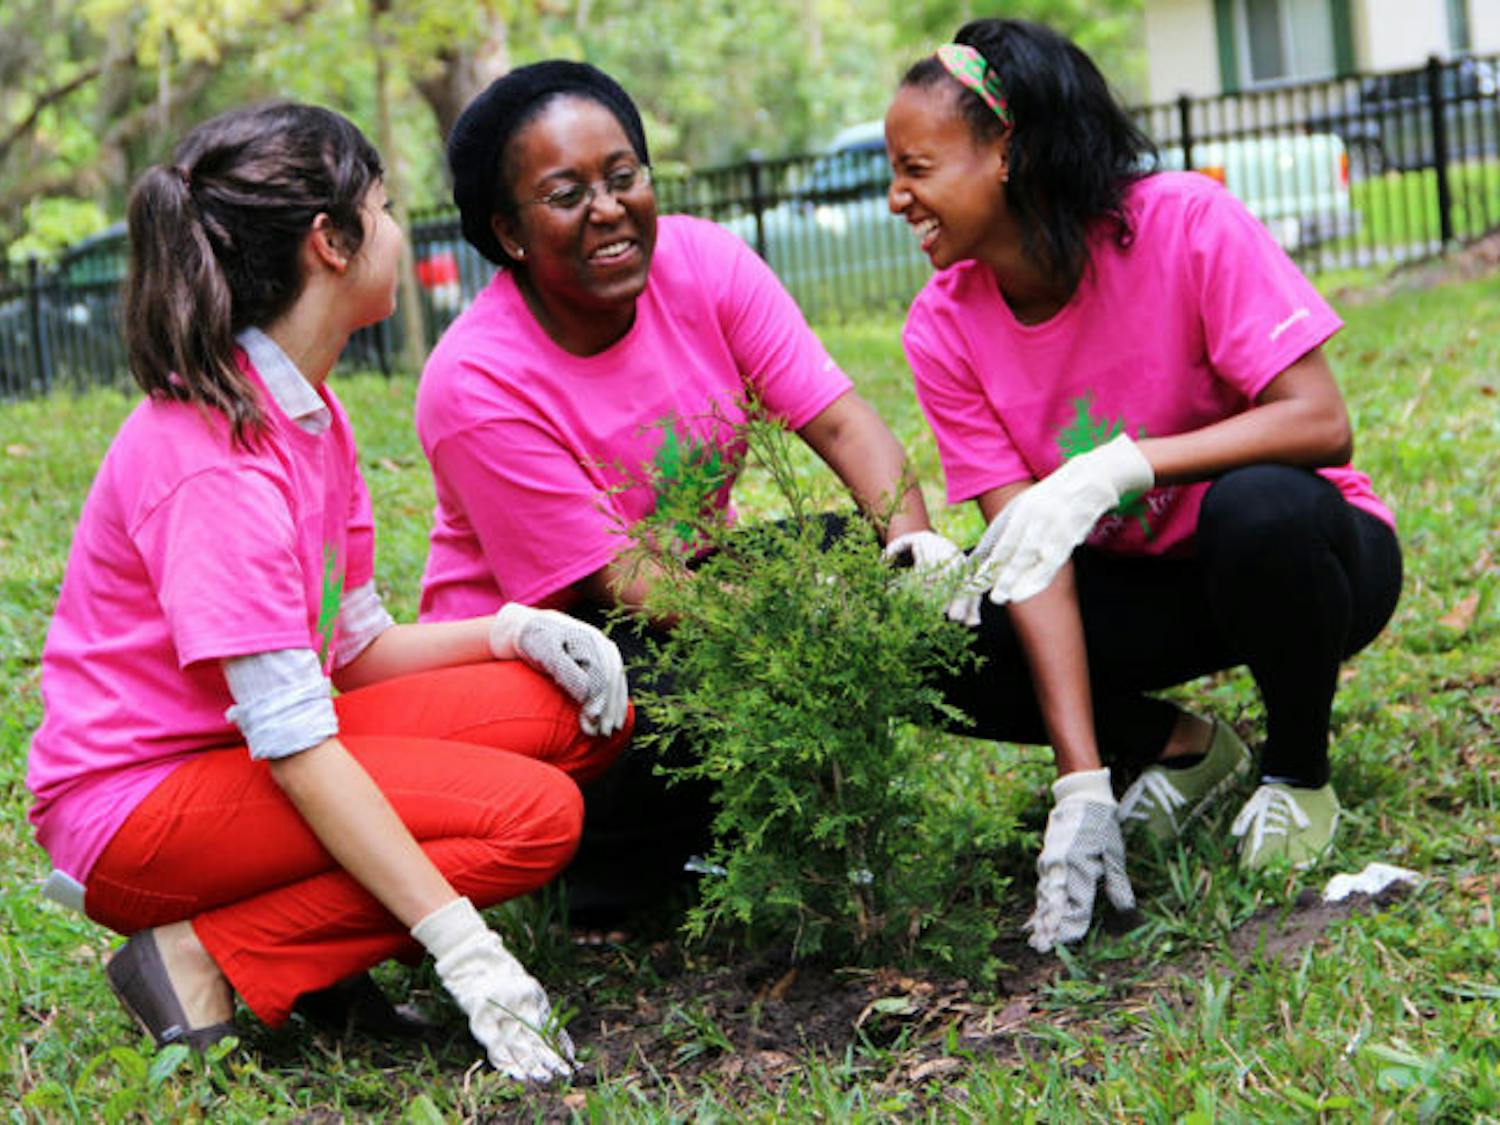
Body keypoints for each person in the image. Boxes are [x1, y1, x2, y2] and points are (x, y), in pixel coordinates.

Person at [25, 102, 633, 1083]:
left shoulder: (308, 410)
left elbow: (354, 651)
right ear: (333, 243)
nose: (399, 230)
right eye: (385, 209)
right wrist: (464, 948)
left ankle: (285, 943)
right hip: (139, 809)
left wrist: (517, 630)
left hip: (246, 753)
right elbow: (299, 746)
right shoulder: (214, 465)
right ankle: (206, 959)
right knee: (532, 818)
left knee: (565, 716)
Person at [884, 21, 1402, 952]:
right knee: (940, 624)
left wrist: (1125, 462)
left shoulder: (1184, 223)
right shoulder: (942, 327)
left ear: (1009, 151)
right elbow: (1031, 563)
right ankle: (1177, 745)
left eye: (917, 167)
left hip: (1297, 561)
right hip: (1143, 593)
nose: (898, 197)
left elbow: (1321, 420)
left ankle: (1296, 771)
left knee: (1262, 506)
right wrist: (1079, 780)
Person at [416, 61, 963, 922]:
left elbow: (846, 425)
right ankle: (596, 879)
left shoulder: (703, 264)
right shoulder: (476, 381)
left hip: (682, 595)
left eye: (623, 176)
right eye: (565, 194)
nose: (607, 208)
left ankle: (751, 837)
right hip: (543, 664)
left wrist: (913, 553)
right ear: (508, 232)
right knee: (680, 697)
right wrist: (791, 619)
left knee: (854, 562)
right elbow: (620, 584)